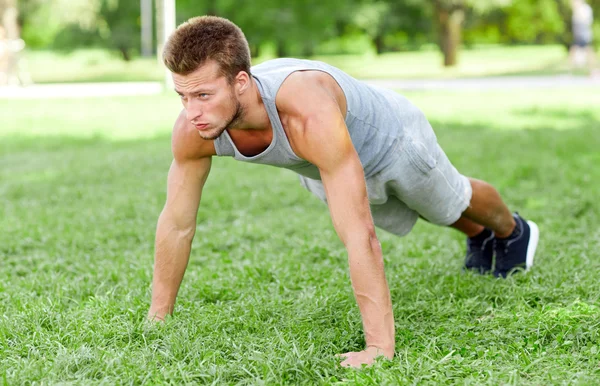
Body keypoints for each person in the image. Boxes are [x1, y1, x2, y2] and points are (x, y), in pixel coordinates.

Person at [147, 16, 540, 368]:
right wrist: (158, 318)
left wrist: (378, 347)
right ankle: (479, 237)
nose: (191, 110)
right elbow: (177, 224)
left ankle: (513, 232)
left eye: (203, 95)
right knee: (426, 212)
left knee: (448, 202)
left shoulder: (305, 112)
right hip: (325, 161)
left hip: (391, 139)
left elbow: (359, 235)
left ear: (241, 82)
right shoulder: (193, 130)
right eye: (183, 96)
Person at [569, 0, 598, 76]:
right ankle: (570, 71)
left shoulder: (584, 9)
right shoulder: (576, 10)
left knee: (588, 51)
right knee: (575, 51)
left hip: (584, 34)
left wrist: (577, 9)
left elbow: (585, 22)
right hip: (578, 35)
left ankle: (593, 70)